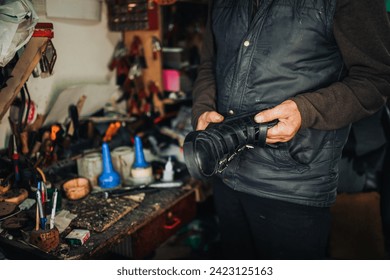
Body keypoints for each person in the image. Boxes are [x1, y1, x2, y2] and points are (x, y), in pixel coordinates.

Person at [191, 0, 390, 259]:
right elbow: (209, 62)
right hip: (226, 178)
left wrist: (305, 110)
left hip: (293, 186)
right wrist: (203, 106)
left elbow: (378, 77)